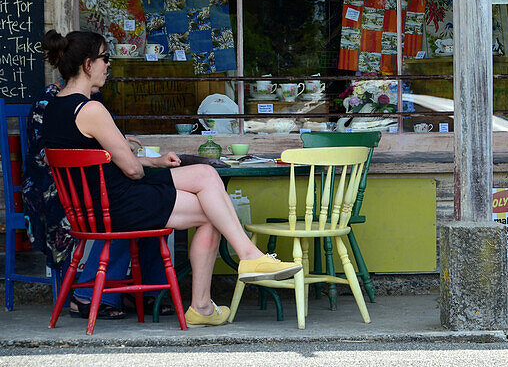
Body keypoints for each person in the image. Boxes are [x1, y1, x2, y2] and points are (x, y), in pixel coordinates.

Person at [41, 29, 302, 327]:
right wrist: (142, 163)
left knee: (206, 186)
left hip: (92, 210)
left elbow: (98, 161)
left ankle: (235, 272)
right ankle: (220, 285)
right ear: (88, 65)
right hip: (117, 206)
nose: (108, 65)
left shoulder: (55, 108)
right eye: (105, 58)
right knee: (209, 198)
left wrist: (152, 160)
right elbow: (132, 171)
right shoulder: (91, 109)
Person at [25, 83, 167, 320]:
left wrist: (119, 144)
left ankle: (144, 289)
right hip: (57, 186)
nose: (107, 67)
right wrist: (116, 148)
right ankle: (92, 293)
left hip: (93, 182)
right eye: (102, 59)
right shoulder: (52, 101)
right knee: (128, 210)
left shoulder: (93, 98)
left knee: (148, 200)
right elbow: (48, 155)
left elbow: (101, 145)